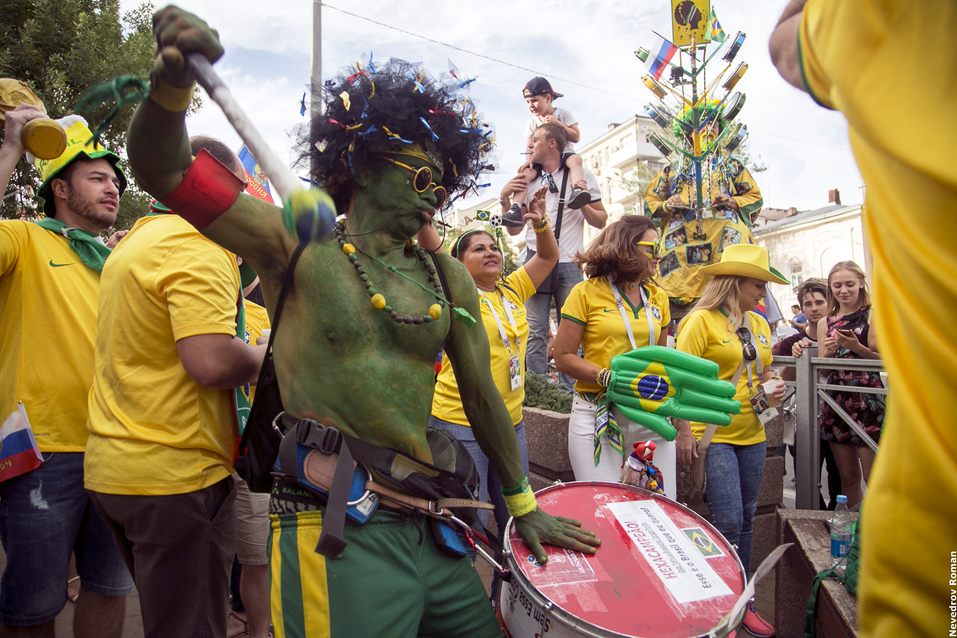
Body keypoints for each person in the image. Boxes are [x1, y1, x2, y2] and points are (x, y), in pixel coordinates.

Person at [127, 8, 600, 637]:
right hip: (331, 523)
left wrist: (522, 502)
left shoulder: (446, 276)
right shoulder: (295, 246)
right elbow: (162, 169)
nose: (435, 194)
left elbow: (482, 394)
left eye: (444, 182)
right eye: (422, 174)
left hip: (432, 519)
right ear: (367, 166)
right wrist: (171, 84)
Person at [771, 4, 957, 636]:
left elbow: (787, 43)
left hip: (931, 528)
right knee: (847, 477)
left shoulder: (891, 18)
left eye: (845, 287)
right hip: (902, 474)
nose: (838, 294)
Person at [84, 136, 268, 638]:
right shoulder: (198, 246)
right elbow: (210, 362)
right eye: (242, 191)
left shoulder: (140, 240)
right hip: (176, 477)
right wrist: (265, 357)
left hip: (116, 468)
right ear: (216, 184)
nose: (245, 207)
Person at [0, 108, 133, 638]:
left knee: (110, 587)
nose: (113, 188)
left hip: (117, 447)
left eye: (115, 181)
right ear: (59, 188)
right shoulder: (24, 238)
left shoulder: (117, 263)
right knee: (32, 608)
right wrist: (12, 147)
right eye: (97, 178)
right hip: (42, 451)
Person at [674, 244, 787, 638]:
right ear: (735, 283)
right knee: (728, 521)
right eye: (758, 286)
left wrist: (775, 383)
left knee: (748, 518)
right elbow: (678, 380)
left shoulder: (759, 323)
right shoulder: (700, 321)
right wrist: (683, 431)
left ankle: (742, 602)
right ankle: (720, 606)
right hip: (713, 435)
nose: (763, 294)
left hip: (754, 434)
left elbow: (765, 369)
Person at [430, 188, 555, 536]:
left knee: (519, 520)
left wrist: (540, 221)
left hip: (511, 423)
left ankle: (509, 572)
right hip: (460, 423)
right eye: (478, 248)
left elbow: (548, 256)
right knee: (467, 523)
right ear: (458, 264)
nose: (490, 252)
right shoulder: (454, 292)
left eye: (493, 247)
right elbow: (433, 250)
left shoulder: (512, 289)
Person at [552, 215, 677, 497]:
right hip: (597, 415)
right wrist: (608, 378)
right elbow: (563, 356)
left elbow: (662, 359)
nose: (659, 255)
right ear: (626, 247)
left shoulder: (658, 296)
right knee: (604, 508)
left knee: (660, 505)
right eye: (652, 248)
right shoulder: (585, 292)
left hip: (649, 414)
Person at [502, 122, 608, 389]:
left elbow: (601, 220)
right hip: (535, 261)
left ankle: (570, 392)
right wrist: (505, 199)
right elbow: (514, 230)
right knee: (534, 331)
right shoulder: (527, 178)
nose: (529, 145)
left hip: (570, 262)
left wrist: (582, 204)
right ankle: (539, 391)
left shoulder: (580, 176)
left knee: (572, 328)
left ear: (552, 143)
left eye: (535, 139)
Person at [644, 102, 764, 321]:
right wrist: (668, 204)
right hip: (681, 250)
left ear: (720, 129)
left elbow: (754, 198)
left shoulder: (732, 166)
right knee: (680, 313)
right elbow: (651, 203)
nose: (707, 129)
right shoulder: (672, 170)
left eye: (713, 124)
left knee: (731, 288)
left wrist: (731, 201)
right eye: (700, 125)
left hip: (723, 240)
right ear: (688, 132)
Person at [816, 261, 883, 507]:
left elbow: (885, 361)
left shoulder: (873, 314)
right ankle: (853, 527)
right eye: (837, 286)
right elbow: (823, 371)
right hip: (837, 399)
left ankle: (877, 525)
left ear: (861, 284)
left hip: (868, 398)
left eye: (849, 284)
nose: (843, 290)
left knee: (874, 477)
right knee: (848, 478)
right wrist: (829, 353)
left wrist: (856, 347)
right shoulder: (825, 322)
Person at [773, 278, 841, 510]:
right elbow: (785, 381)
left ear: (830, 303)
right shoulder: (791, 342)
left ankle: (836, 521)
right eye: (808, 304)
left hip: (838, 416)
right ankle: (812, 522)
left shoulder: (841, 338)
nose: (814, 308)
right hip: (804, 419)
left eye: (819, 302)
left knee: (839, 479)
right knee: (806, 478)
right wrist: (796, 357)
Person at [503, 77, 589, 219]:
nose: (531, 105)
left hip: (565, 154)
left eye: (534, 100)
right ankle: (515, 207)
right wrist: (529, 160)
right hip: (541, 160)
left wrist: (558, 123)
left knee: (576, 161)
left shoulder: (563, 114)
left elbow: (575, 137)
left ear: (548, 98)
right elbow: (529, 144)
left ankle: (578, 189)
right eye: (528, 102)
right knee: (525, 174)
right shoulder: (532, 122)